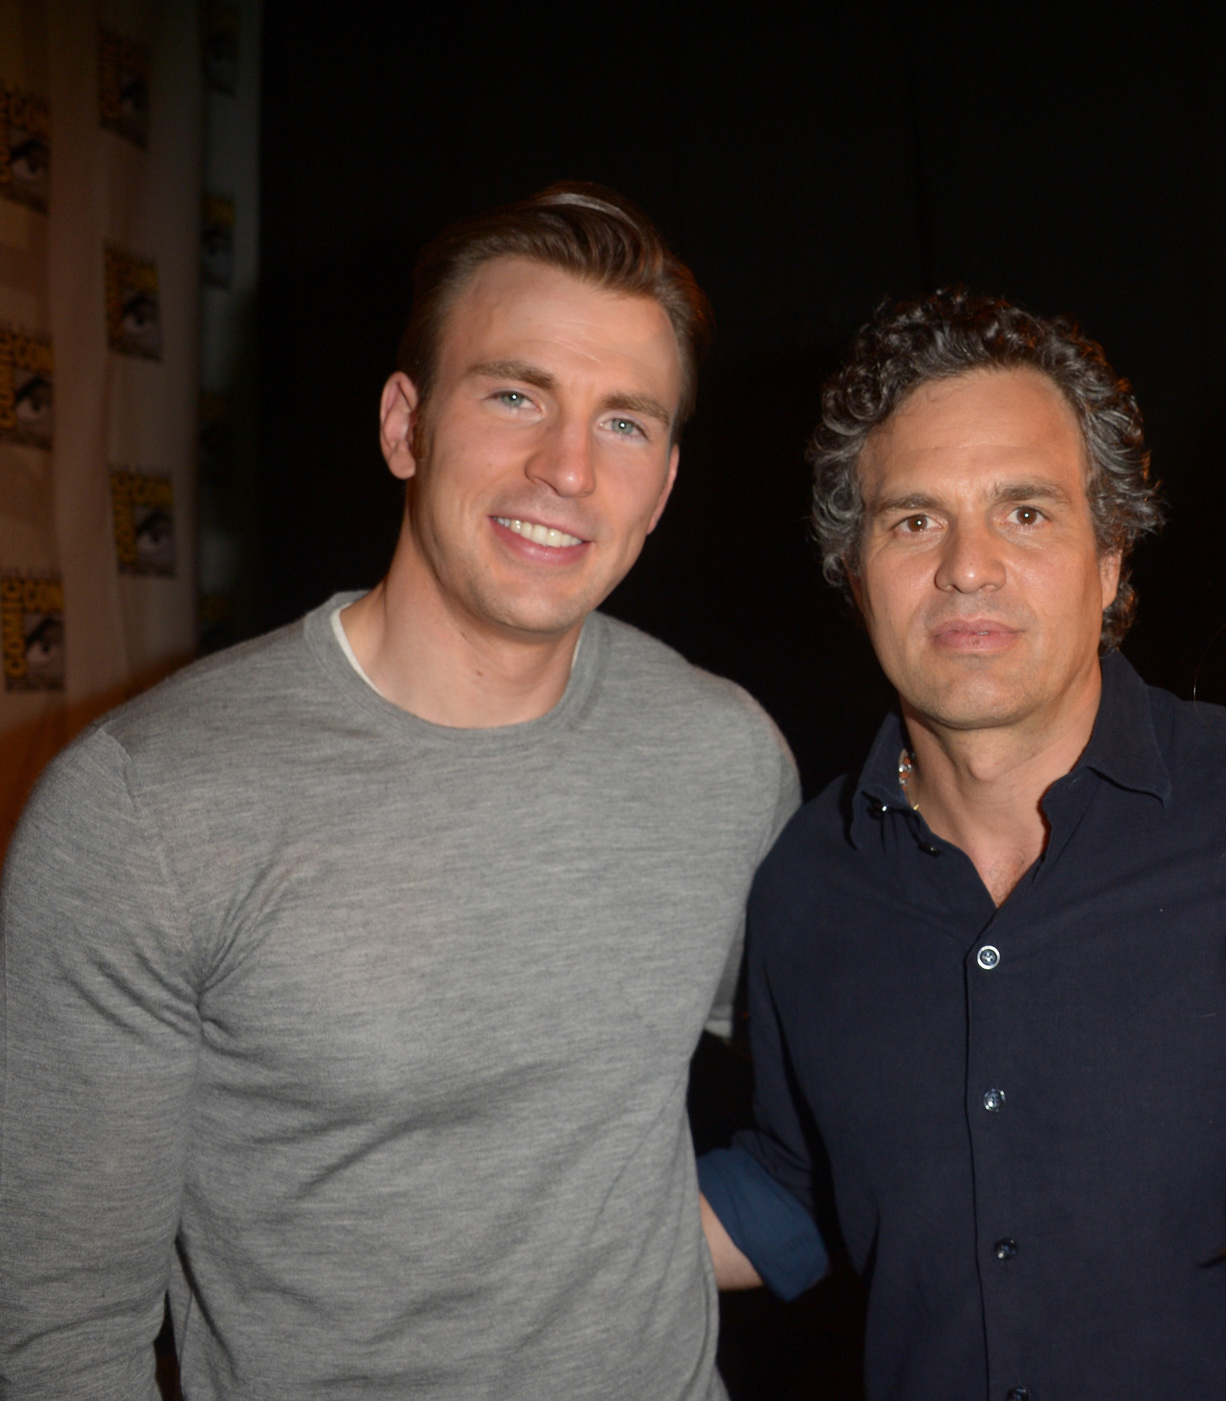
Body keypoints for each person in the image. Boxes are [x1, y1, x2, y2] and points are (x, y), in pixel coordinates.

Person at [0, 184, 797, 1399]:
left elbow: (857, 1085)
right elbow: (60, 1329)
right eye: (515, 394)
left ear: (666, 484)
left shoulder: (724, 755)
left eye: (624, 423)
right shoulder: (144, 805)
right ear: (403, 425)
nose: (567, 468)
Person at [696, 289, 1226, 1400]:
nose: (967, 566)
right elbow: (802, 1186)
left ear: (1109, 561)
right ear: (854, 575)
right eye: (912, 520)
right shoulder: (801, 887)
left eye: (1025, 512)